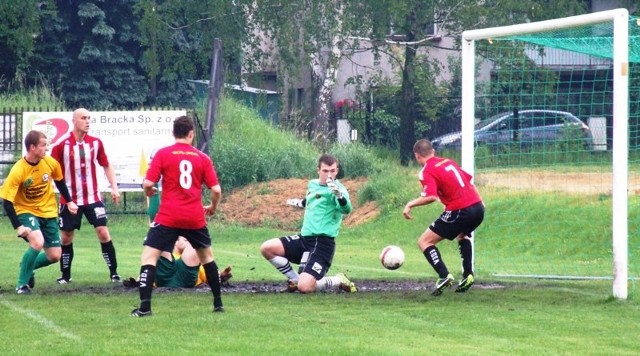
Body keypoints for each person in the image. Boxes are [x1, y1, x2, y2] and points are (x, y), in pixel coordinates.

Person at [131, 115, 224, 317]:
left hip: (168, 216)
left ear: (173, 134)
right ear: (192, 134)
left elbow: (148, 184)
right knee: (207, 257)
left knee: (149, 257)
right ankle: (218, 303)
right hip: (194, 216)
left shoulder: (164, 154)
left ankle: (145, 307)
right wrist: (213, 207)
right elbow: (216, 190)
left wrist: (149, 192)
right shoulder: (202, 158)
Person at [260, 154, 357, 294]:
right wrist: (300, 203)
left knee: (305, 287)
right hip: (304, 239)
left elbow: (346, 209)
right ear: (318, 170)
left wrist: (339, 196)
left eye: (333, 171)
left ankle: (338, 280)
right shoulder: (313, 183)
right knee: (267, 248)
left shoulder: (338, 190)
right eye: (325, 171)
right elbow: (312, 198)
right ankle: (294, 280)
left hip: (322, 244)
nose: (329, 174)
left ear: (337, 170)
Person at [402, 139, 484, 296]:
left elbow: (431, 196)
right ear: (433, 151)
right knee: (462, 234)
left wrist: (410, 204)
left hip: (461, 210)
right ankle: (468, 275)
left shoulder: (427, 170)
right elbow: (469, 182)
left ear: (417, 156)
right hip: (478, 208)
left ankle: (444, 275)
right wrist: (480, 203)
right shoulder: (448, 161)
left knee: (424, 241)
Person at [0, 130, 79, 294]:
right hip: (26, 211)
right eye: (43, 145)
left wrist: (70, 202)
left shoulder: (50, 163)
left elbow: (60, 181)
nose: (46, 148)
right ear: (32, 147)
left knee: (55, 255)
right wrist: (18, 227)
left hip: (48, 212)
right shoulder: (18, 170)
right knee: (37, 242)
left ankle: (27, 266)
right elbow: (7, 201)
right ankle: (22, 286)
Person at [50, 107, 121, 284]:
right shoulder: (61, 145)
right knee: (66, 236)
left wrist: (114, 187)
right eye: (83, 118)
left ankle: (114, 273)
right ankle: (65, 276)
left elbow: (106, 164)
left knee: (103, 232)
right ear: (74, 121)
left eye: (89, 118)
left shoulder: (96, 143)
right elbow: (51, 170)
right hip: (70, 199)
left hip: (93, 198)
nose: (87, 121)